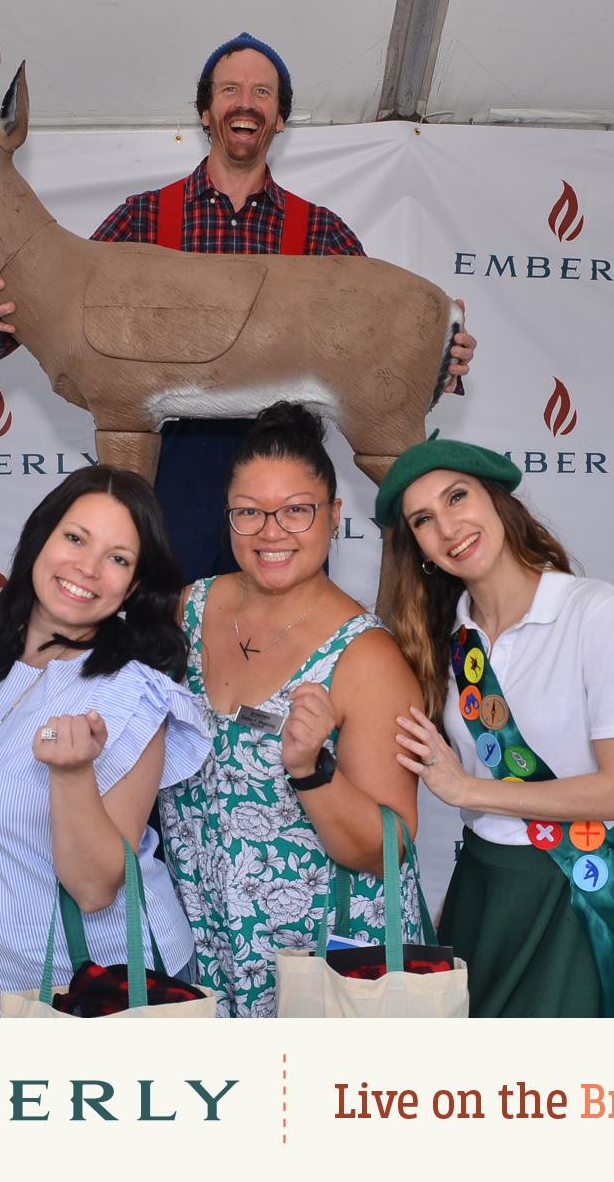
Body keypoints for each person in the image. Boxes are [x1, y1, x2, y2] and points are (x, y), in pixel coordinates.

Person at [0, 31, 476, 578]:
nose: (246, 102)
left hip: (288, 481)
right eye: (230, 89)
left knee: (287, 642)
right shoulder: (141, 220)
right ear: (206, 112)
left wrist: (448, 354)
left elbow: (380, 353)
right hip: (174, 470)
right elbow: (72, 319)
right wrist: (0, 307)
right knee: (167, 632)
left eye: (263, 93)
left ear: (279, 118)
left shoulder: (323, 232)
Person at [375, 438, 614, 1018]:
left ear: (496, 501)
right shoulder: (443, 646)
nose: (448, 527)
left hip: (582, 896)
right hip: (487, 892)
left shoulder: (591, 609)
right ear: (419, 549)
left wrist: (470, 790)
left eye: (457, 497)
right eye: (423, 521)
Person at [159, 402, 425, 1017]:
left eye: (295, 510)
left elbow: (386, 849)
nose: (270, 532)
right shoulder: (187, 611)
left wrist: (312, 769)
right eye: (249, 512)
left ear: (333, 517)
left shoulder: (366, 657)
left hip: (330, 960)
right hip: (214, 947)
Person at [0, 465, 210, 1015]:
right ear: (40, 537)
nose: (88, 569)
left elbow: (95, 887)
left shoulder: (132, 691)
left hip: (101, 992)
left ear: (135, 585)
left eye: (118, 559)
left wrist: (72, 774)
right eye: (75, 538)